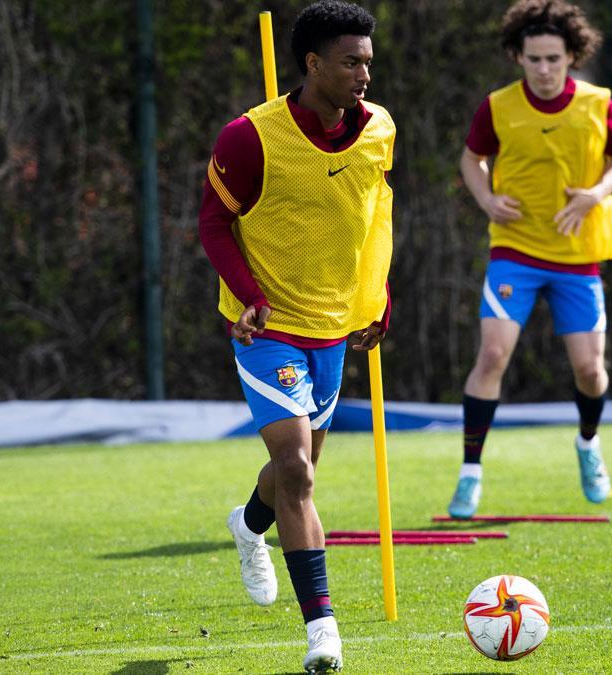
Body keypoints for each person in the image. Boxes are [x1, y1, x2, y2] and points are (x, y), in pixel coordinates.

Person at [196, 2, 393, 671]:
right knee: (299, 472)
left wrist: (379, 296)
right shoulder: (248, 138)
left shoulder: (380, 130)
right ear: (312, 64)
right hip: (266, 327)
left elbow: (375, 216)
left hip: (336, 326)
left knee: (294, 469)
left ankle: (248, 526)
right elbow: (214, 224)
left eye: (368, 60)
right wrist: (249, 297)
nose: (365, 73)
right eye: (350, 61)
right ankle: (323, 631)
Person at [447, 0, 612, 519]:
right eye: (535, 59)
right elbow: (471, 157)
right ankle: (470, 474)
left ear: (572, 56)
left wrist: (596, 193)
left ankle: (588, 445)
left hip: (578, 255)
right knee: (492, 357)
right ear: (517, 57)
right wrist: (485, 198)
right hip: (516, 250)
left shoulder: (597, 103)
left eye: (554, 58)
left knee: (592, 371)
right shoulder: (499, 106)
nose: (545, 69)